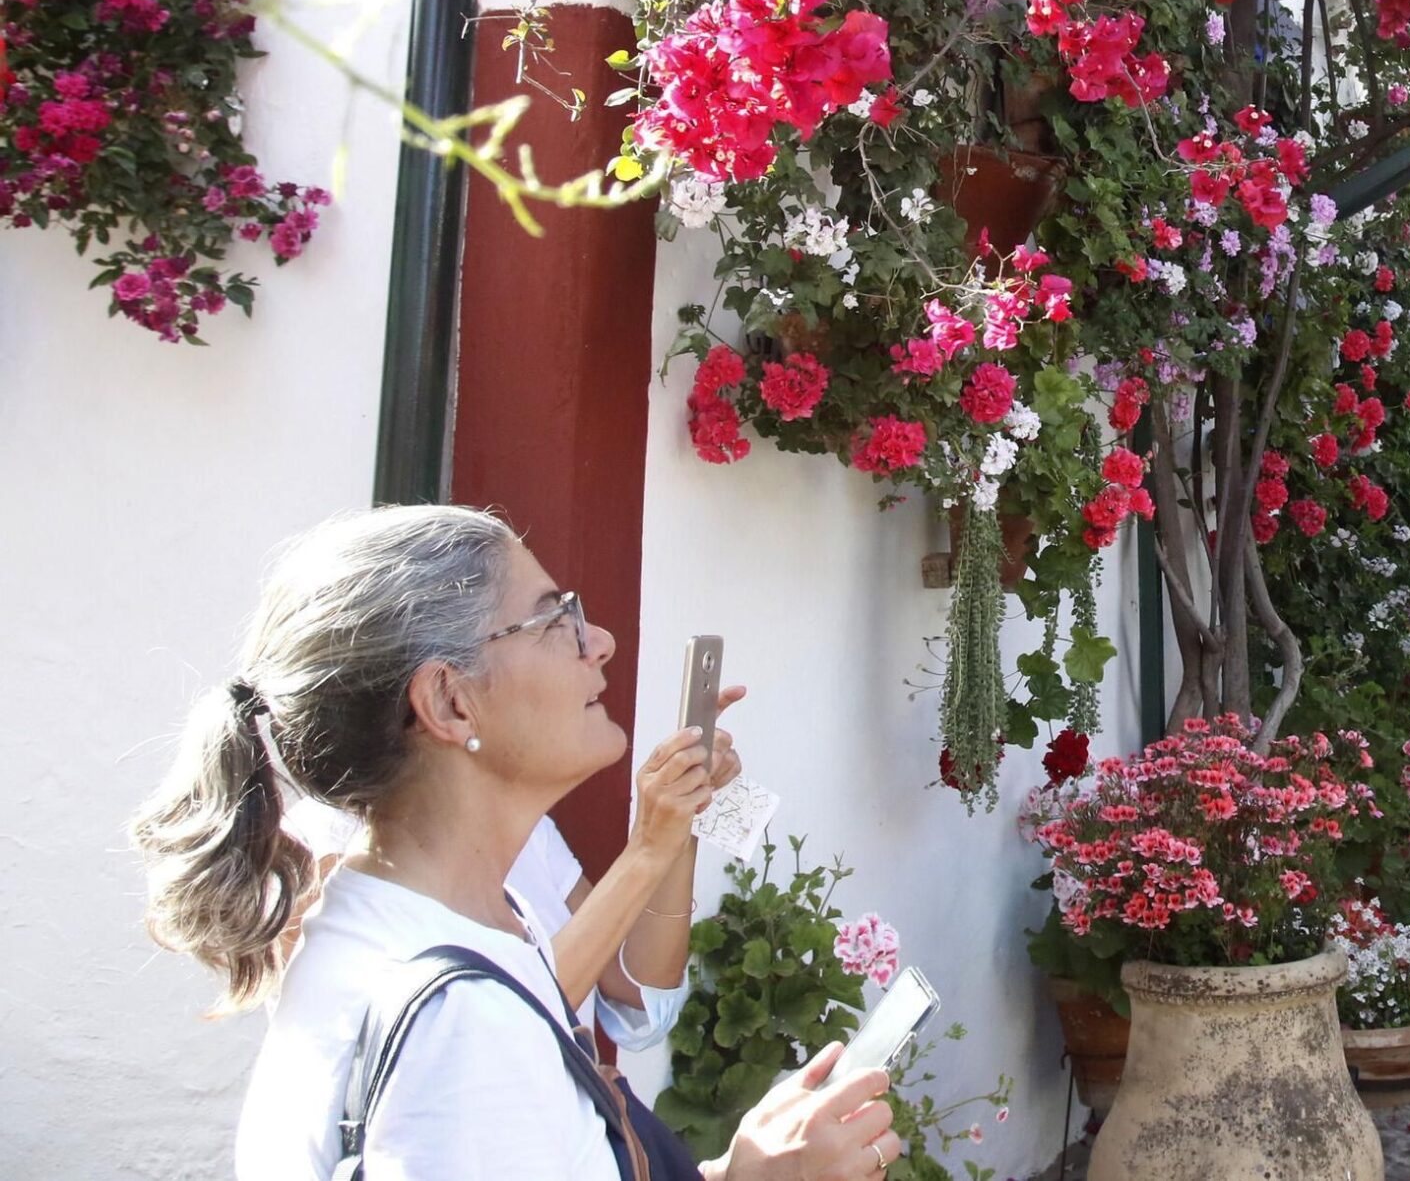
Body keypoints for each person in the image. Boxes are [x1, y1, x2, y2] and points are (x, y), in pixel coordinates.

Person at [131, 504, 903, 1181]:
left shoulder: (436, 924)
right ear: (448, 701)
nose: (597, 639)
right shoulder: (462, 1030)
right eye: (553, 617)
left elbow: (619, 1023)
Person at [286, 705, 747, 1051]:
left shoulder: (528, 830)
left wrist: (679, 823)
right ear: (445, 699)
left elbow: (639, 991)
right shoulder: (322, 847)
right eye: (548, 625)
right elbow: (488, 1040)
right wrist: (647, 845)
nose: (598, 646)